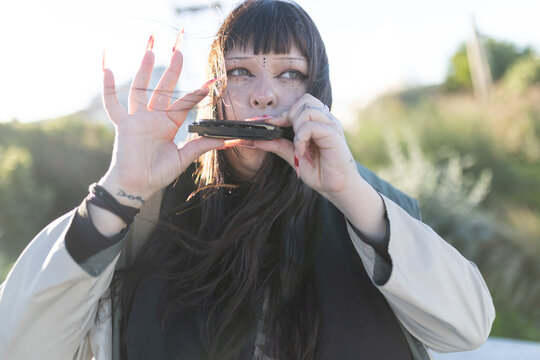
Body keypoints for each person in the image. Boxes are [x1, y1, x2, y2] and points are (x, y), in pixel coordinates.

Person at [0, 1, 495, 359]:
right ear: (216, 89)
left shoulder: (370, 205)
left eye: (289, 74)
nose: (263, 95)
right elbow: (19, 346)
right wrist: (119, 193)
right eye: (240, 72)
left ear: (318, 88)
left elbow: (467, 330)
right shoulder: (148, 210)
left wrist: (352, 195)